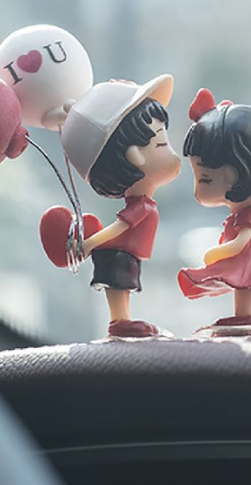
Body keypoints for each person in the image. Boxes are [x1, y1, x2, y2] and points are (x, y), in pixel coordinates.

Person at [60, 75, 181, 338]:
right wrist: (90, 244)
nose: (173, 154)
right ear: (134, 157)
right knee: (119, 285)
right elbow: (119, 227)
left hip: (124, 254)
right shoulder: (141, 208)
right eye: (161, 144)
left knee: (123, 285)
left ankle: (123, 320)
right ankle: (120, 321)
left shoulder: (144, 203)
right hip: (118, 254)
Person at [177, 88, 251, 333]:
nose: (197, 191)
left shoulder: (247, 216)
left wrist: (217, 253)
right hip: (242, 259)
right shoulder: (238, 215)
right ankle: (242, 314)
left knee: (244, 282)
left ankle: (244, 315)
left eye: (204, 179)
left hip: (246, 258)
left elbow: (243, 241)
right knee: (241, 282)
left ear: (236, 176)